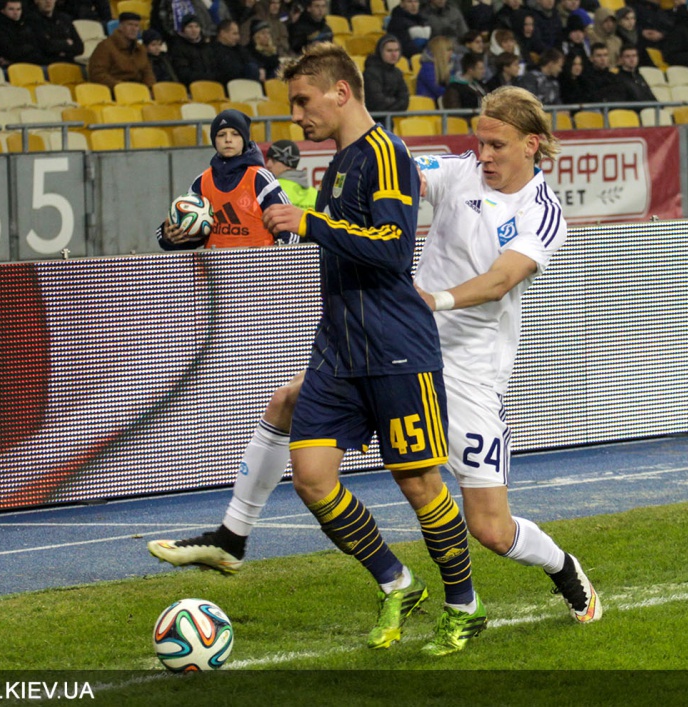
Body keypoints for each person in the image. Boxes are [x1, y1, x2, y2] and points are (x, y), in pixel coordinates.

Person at [153, 42, 488, 658]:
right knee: (310, 478)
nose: (296, 115)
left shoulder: (387, 154)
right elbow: (300, 231)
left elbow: (392, 248)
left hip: (395, 346)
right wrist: (182, 237)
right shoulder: (335, 166)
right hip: (337, 348)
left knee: (418, 483)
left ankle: (465, 606)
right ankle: (397, 582)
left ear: (341, 91)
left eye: (303, 101)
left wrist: (309, 222)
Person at [412, 84, 601, 628]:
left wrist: (433, 301)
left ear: (530, 145)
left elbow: (500, 280)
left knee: (492, 529)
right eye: (480, 143)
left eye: (496, 145)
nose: (484, 156)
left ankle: (562, 566)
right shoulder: (459, 171)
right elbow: (402, 174)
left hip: (470, 373)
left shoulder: (543, 212)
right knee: (293, 405)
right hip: (408, 349)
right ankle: (235, 533)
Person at [157, 109, 298, 249]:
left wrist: (282, 258)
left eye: (235, 134)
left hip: (258, 264)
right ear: (214, 140)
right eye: (221, 135)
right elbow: (193, 236)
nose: (228, 139)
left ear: (244, 139)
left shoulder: (260, 178)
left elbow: (289, 227)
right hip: (215, 263)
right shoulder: (202, 181)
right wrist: (170, 238)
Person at [88, 12, 156, 88]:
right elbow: (97, 75)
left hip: (137, 90)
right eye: (130, 25)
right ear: (120, 27)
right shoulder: (105, 47)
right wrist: (122, 87)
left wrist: (150, 88)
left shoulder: (141, 49)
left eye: (136, 26)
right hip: (114, 91)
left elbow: (147, 73)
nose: (133, 29)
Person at [364, 34, 410, 118]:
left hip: (389, 120)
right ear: (380, 52)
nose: (394, 54)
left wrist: (391, 103)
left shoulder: (398, 73)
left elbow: (404, 101)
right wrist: (396, 102)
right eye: (389, 51)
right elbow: (377, 102)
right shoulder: (370, 73)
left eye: (396, 50)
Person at [265, 139, 318, 209]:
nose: (268, 164)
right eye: (268, 159)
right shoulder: (315, 194)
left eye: (274, 160)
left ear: (288, 164)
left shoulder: (273, 189)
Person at [0, 0, 46, 65]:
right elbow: (11, 52)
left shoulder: (26, 25)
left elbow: (40, 46)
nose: (16, 12)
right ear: (3, 11)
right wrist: (30, 48)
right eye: (11, 9)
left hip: (31, 61)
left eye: (18, 9)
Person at [31, 0, 84, 64]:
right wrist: (66, 43)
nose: (48, 1)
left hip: (67, 62)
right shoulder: (32, 21)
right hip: (45, 64)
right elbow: (46, 47)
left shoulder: (65, 19)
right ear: (36, 1)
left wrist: (59, 49)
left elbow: (80, 47)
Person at [208, 19, 261, 84]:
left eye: (238, 34)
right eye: (234, 34)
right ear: (223, 33)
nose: (238, 37)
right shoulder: (212, 50)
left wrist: (260, 68)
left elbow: (250, 59)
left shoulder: (238, 48)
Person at [168, 15, 216, 85]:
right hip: (193, 85)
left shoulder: (206, 45)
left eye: (197, 26)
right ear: (183, 29)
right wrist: (207, 77)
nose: (194, 30)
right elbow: (183, 73)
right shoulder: (178, 48)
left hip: (213, 83)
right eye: (190, 27)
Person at [416, 35, 454, 101]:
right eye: (448, 50)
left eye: (451, 50)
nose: (451, 53)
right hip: (429, 105)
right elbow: (439, 91)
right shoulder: (427, 69)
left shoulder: (449, 66)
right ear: (439, 51)